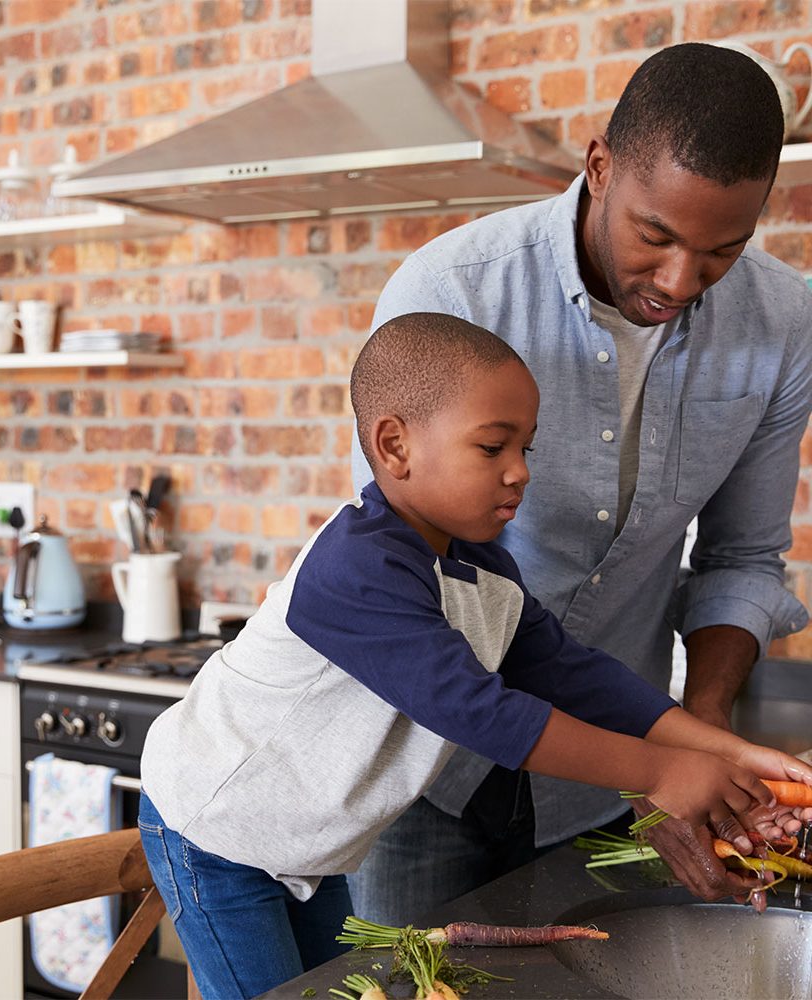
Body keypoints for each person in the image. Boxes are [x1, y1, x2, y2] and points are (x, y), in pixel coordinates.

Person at [139, 312, 812, 1000]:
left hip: (303, 841)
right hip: (218, 834)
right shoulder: (356, 568)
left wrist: (727, 754)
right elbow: (482, 714)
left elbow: (567, 672)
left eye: (527, 447)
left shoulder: (477, 566)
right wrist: (665, 770)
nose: (520, 473)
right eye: (493, 448)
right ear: (394, 445)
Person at [349, 41, 812, 925]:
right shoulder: (454, 292)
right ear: (599, 166)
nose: (681, 281)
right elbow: (410, 579)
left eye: (724, 250)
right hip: (425, 776)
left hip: (602, 798)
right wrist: (661, 764)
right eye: (656, 235)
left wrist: (701, 742)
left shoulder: (784, 324)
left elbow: (744, 559)